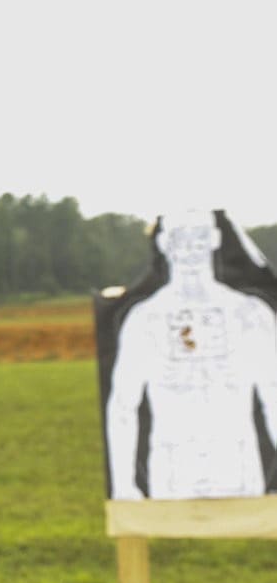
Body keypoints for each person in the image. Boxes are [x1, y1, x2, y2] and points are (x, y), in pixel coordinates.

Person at [106, 210, 277, 500]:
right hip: (173, 471)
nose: (189, 250)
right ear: (164, 244)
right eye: (179, 239)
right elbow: (123, 405)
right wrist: (123, 484)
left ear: (214, 239)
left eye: (198, 238)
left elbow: (273, 395)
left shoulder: (248, 315)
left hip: (237, 466)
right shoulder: (146, 319)